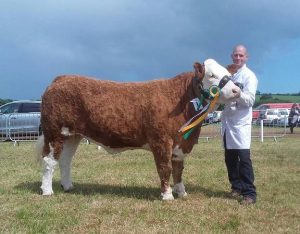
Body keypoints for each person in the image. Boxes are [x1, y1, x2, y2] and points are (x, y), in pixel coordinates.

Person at [221, 44, 258, 205]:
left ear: (246, 57)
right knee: (230, 159)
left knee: (243, 159)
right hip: (228, 123)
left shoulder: (250, 76)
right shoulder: (228, 75)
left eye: (241, 55)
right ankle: (236, 187)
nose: (238, 58)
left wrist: (239, 93)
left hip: (241, 124)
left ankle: (249, 193)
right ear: (231, 56)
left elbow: (250, 101)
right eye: (235, 55)